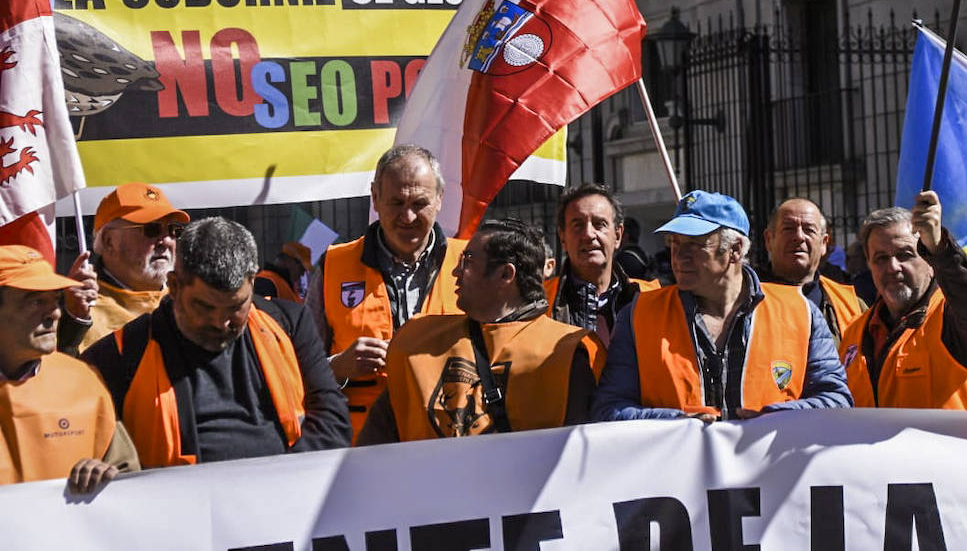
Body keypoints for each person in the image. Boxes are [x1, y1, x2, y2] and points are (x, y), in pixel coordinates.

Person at [84, 218, 351, 466]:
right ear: (174, 286)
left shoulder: (290, 323)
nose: (220, 322)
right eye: (204, 307)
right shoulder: (118, 354)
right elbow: (93, 446)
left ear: (253, 283)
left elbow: (333, 421)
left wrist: (282, 477)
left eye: (235, 307)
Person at [592, 190, 852, 421]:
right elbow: (609, 409)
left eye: (695, 245)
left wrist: (774, 420)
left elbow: (836, 400)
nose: (679, 256)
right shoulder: (639, 315)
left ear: (736, 250)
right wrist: (678, 423)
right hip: (678, 473)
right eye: (674, 244)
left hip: (768, 471)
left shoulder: (800, 312)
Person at [358, 219, 598, 443]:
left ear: (506, 274)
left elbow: (579, 457)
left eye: (468, 261)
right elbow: (372, 448)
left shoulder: (565, 353)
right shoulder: (416, 342)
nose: (456, 272)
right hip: (427, 486)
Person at [306, 145, 462, 436]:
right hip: (361, 447)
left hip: (447, 444)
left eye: (419, 203)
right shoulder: (333, 266)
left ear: (440, 199)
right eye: (397, 203)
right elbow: (297, 370)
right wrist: (338, 366)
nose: (409, 216)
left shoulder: (469, 264)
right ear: (375, 198)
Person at [838, 198, 967, 410]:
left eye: (904, 255)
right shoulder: (854, 333)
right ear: (869, 265)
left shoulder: (952, 319)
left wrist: (941, 248)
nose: (893, 267)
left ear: (930, 261)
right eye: (881, 258)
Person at [0, 246, 140, 491]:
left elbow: (127, 473)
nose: (54, 313)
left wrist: (108, 477)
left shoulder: (84, 381)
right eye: (34, 301)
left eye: (55, 300)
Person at [58, 183, 189, 353]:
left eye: (173, 230)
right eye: (151, 229)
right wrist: (73, 323)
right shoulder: (76, 307)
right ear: (109, 241)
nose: (166, 241)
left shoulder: (191, 299)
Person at [544, 183, 658, 348]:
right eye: (578, 225)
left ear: (618, 235)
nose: (589, 234)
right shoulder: (540, 303)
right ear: (563, 238)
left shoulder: (650, 298)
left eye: (599, 224)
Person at [760, 198, 865, 341]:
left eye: (809, 229)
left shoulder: (852, 306)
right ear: (768, 239)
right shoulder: (744, 300)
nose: (799, 236)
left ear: (824, 243)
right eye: (788, 229)